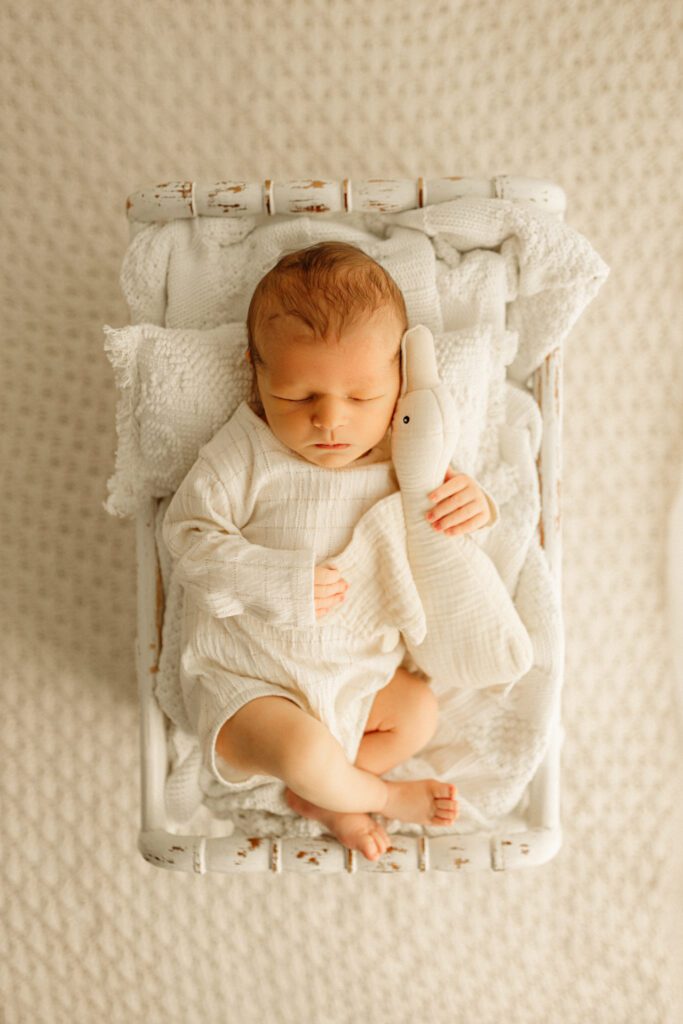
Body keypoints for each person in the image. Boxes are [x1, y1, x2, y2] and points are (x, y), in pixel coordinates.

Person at [162, 241, 495, 861]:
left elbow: (449, 541)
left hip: (358, 682)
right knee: (305, 752)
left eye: (362, 397)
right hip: (252, 686)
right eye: (297, 395)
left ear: (399, 380)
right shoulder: (246, 450)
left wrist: (477, 503)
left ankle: (326, 793)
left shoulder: (410, 458)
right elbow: (186, 539)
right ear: (257, 376)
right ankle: (373, 796)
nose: (329, 420)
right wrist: (273, 580)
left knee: (418, 712)